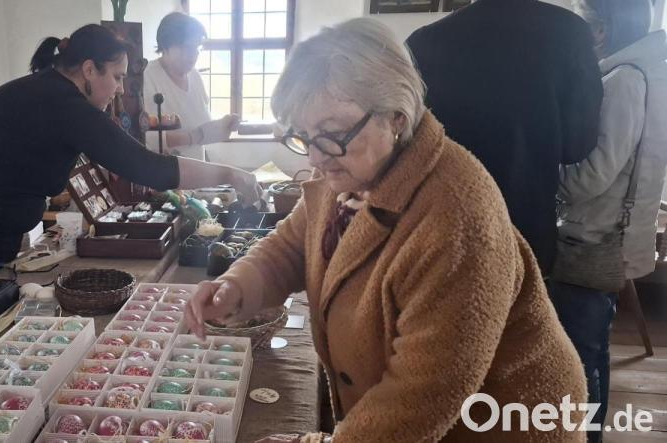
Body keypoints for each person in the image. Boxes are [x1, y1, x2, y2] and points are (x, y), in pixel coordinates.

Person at [184, 19, 587, 443]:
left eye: (332, 134)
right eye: (303, 137)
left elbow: (418, 400)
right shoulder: (348, 173)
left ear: (396, 118)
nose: (316, 158)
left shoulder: (457, 220)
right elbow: (292, 245)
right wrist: (236, 286)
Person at [0, 24, 259, 330]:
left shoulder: (44, 92)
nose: (119, 88)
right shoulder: (64, 104)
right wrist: (230, 174)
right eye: (116, 77)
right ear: (89, 69)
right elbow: (148, 167)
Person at [405, 0, 603, 274]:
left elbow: (408, 144)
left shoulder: (422, 42)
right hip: (525, 227)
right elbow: (577, 145)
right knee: (524, 300)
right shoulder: (570, 32)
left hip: (444, 225)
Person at [554, 1, 666, 441]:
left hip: (592, 238)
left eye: (585, 21)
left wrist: (544, 170)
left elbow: (592, 177)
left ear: (600, 30)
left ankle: (583, 436)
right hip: (606, 236)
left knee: (578, 357)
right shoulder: (641, 75)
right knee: (593, 348)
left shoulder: (622, 82)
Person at [142, 12, 239, 160]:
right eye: (187, 47)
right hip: (164, 171)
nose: (193, 54)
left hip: (197, 170)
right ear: (165, 46)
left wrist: (222, 127)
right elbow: (145, 137)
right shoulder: (147, 77)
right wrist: (191, 137)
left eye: (197, 47)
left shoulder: (195, 76)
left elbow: (202, 128)